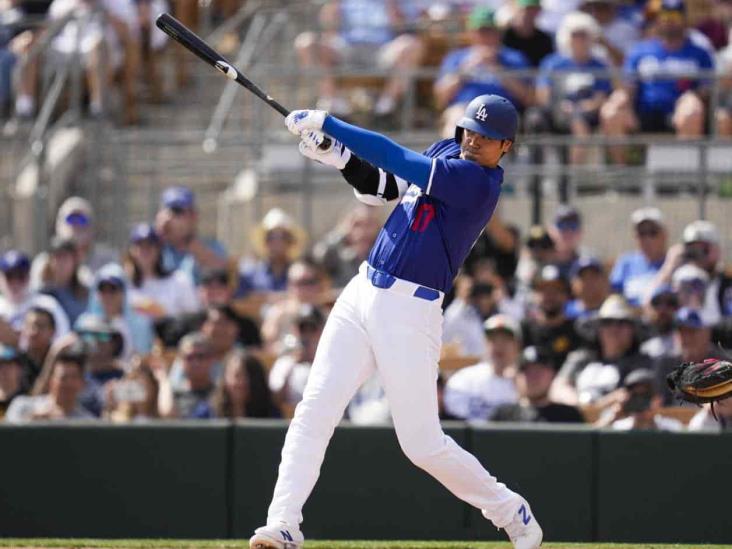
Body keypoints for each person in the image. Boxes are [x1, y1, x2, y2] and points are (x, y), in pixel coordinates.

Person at [248, 94, 543, 548]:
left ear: (506, 146)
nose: (474, 140)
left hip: (410, 308)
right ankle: (284, 523)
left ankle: (509, 509)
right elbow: (384, 187)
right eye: (470, 130)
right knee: (315, 410)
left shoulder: (480, 182)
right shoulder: (451, 149)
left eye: (487, 138)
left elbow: (394, 156)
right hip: (363, 288)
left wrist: (331, 123)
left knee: (421, 444)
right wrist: (338, 157)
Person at [600, 0, 714, 164]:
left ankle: (685, 177)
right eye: (664, 15)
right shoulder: (641, 50)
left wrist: (692, 96)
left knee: (691, 109)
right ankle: (623, 177)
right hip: (643, 113)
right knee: (611, 110)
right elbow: (627, 86)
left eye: (674, 16)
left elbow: (707, 89)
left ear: (684, 19)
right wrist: (626, 106)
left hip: (681, 114)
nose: (669, 20)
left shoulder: (699, 53)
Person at [293, 0, 425, 117]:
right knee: (306, 43)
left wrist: (391, 4)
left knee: (411, 45)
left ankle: (385, 110)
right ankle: (335, 106)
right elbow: (327, 25)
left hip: (382, 49)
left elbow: (403, 27)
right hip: (346, 49)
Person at [434, 7, 533, 138]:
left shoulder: (513, 58)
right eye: (481, 31)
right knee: (456, 121)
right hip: (464, 109)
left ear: (498, 33)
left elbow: (528, 97)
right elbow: (440, 98)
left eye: (490, 31)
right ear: (471, 33)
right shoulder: (457, 58)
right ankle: (455, 158)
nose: (486, 36)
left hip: (500, 111)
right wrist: (465, 71)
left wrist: (498, 69)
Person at [529, 11, 612, 164]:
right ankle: (542, 179)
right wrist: (558, 106)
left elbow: (601, 97)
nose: (579, 39)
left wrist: (581, 107)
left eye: (584, 35)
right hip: (557, 111)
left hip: (587, 113)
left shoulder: (599, 65)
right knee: (537, 120)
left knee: (578, 122)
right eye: (575, 34)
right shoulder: (553, 63)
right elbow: (542, 93)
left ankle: (570, 176)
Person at [552, 295, 651, 406]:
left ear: (633, 331)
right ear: (598, 329)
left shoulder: (643, 363)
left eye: (622, 323)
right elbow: (558, 388)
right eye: (607, 322)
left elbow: (633, 394)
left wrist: (598, 406)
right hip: (576, 419)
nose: (614, 329)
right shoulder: (581, 358)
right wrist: (582, 406)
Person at [443, 314, 521, 421]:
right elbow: (455, 417)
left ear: (517, 346)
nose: (499, 345)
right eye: (493, 339)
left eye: (505, 340)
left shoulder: (525, 383)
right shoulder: (465, 378)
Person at [490, 345, 585, 423]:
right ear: (517, 377)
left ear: (552, 374)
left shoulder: (568, 416)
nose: (533, 377)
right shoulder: (502, 416)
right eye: (526, 371)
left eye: (539, 371)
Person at [154, 186, 228, 283]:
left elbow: (223, 272)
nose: (175, 218)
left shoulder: (213, 247)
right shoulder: (158, 248)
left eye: (178, 211)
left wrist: (188, 242)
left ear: (194, 215)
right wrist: (159, 234)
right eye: (172, 211)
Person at [124, 223, 199, 318]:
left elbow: (193, 317)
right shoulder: (123, 285)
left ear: (159, 249)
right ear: (132, 250)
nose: (145, 250)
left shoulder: (179, 281)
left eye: (150, 245)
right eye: (140, 246)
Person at [5, 344, 94, 422]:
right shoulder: (23, 406)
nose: (68, 383)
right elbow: (7, 437)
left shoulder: (86, 422)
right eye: (63, 378)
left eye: (74, 377)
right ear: (51, 381)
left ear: (82, 383)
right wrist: (31, 422)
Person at [84, 263, 154, 357]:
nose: (107, 295)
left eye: (113, 289)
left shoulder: (140, 325)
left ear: (124, 292)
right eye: (102, 289)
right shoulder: (85, 324)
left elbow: (143, 357)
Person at [521, 264, 582, 371]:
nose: (549, 296)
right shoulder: (524, 329)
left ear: (566, 295)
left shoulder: (577, 330)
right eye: (544, 290)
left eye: (556, 290)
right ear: (535, 295)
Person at [268, 304, 326, 417]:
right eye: (303, 328)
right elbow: (275, 400)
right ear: (295, 330)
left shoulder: (331, 363)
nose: (307, 334)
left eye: (312, 328)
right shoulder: (284, 363)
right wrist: (294, 363)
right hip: (289, 423)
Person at [0, 249, 69, 339]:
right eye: (9, 277)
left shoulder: (47, 305)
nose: (15, 283)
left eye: (20, 276)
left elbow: (63, 338)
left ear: (29, 276)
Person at [238, 208, 307, 297]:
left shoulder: (302, 276)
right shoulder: (249, 275)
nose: (277, 242)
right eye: (271, 237)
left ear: (291, 241)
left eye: (283, 237)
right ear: (264, 241)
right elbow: (241, 303)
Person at [312, 204, 381, 289]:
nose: (363, 230)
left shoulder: (381, 254)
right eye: (357, 224)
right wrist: (341, 233)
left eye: (369, 224)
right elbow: (318, 256)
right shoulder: (335, 253)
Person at [609, 207, 668, 307]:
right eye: (642, 233)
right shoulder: (626, 262)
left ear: (664, 235)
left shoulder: (672, 263)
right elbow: (614, 295)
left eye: (652, 233)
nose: (647, 239)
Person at [597, 368, 684, 431]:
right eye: (634, 396)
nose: (640, 401)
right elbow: (592, 440)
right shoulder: (619, 428)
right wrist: (615, 415)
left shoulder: (672, 429)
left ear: (659, 400)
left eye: (646, 396)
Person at [37, 236, 89, 326]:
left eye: (65, 257)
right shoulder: (41, 294)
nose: (61, 263)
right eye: (57, 257)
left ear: (75, 261)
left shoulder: (85, 294)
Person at [211, 349, 277, 419]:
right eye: (237, 376)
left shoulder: (271, 415)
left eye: (250, 377)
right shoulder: (209, 413)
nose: (242, 382)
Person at [501, 0, 554, 68]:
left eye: (532, 9)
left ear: (538, 11)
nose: (527, 13)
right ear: (514, 9)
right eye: (524, 9)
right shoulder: (503, 36)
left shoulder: (545, 39)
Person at [565, 256, 610, 321]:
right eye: (583, 277)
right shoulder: (564, 312)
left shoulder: (616, 311)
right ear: (572, 284)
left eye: (594, 276)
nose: (589, 282)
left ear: (605, 281)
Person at [0, 345, 25, 419]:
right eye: (0, 366)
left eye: (9, 365)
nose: (4, 371)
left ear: (19, 369)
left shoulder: (27, 399)